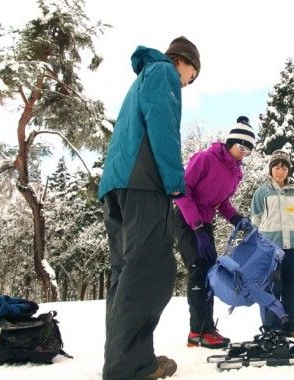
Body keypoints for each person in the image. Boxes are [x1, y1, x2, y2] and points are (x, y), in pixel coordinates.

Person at [98, 36, 200, 380]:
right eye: (192, 76)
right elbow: (162, 125)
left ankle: (122, 360)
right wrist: (174, 180)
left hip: (117, 184)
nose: (187, 83)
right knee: (151, 269)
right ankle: (130, 365)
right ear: (183, 63)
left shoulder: (141, 78)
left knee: (126, 273)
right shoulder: (163, 72)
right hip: (144, 183)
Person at [174, 116, 255, 349]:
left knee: (209, 273)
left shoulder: (235, 172)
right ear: (231, 142)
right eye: (242, 147)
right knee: (198, 270)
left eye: (248, 150)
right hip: (187, 218)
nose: (243, 153)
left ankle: (205, 328)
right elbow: (182, 191)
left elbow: (222, 203)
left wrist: (237, 219)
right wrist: (197, 227)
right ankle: (199, 331)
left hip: (204, 223)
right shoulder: (205, 158)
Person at [250, 150, 294, 337]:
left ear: (288, 170)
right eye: (276, 167)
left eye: (284, 167)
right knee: (271, 288)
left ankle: (292, 326)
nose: (280, 171)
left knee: (292, 288)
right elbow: (256, 218)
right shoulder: (261, 192)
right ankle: (272, 328)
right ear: (271, 169)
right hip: (271, 249)